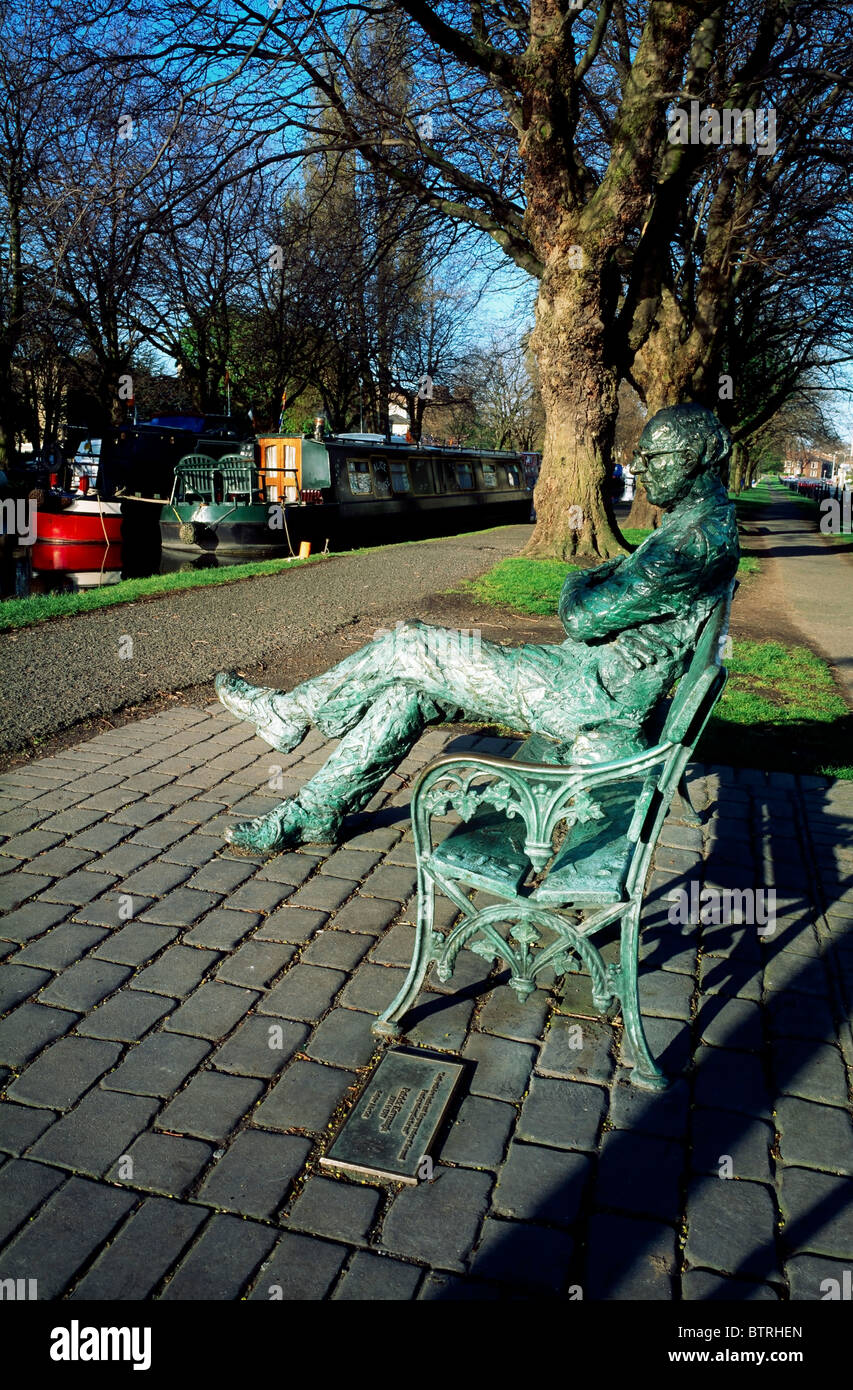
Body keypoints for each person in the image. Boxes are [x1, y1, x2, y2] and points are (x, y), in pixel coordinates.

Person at [216, 403, 739, 852]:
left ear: (698, 456)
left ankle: (289, 713)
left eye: (655, 457)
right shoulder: (700, 523)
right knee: (407, 694)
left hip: (585, 698)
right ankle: (314, 811)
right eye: (641, 456)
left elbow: (582, 617)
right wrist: (597, 581)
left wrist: (578, 580)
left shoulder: (692, 540)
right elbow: (608, 597)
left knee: (410, 643)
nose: (641, 468)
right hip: (588, 681)